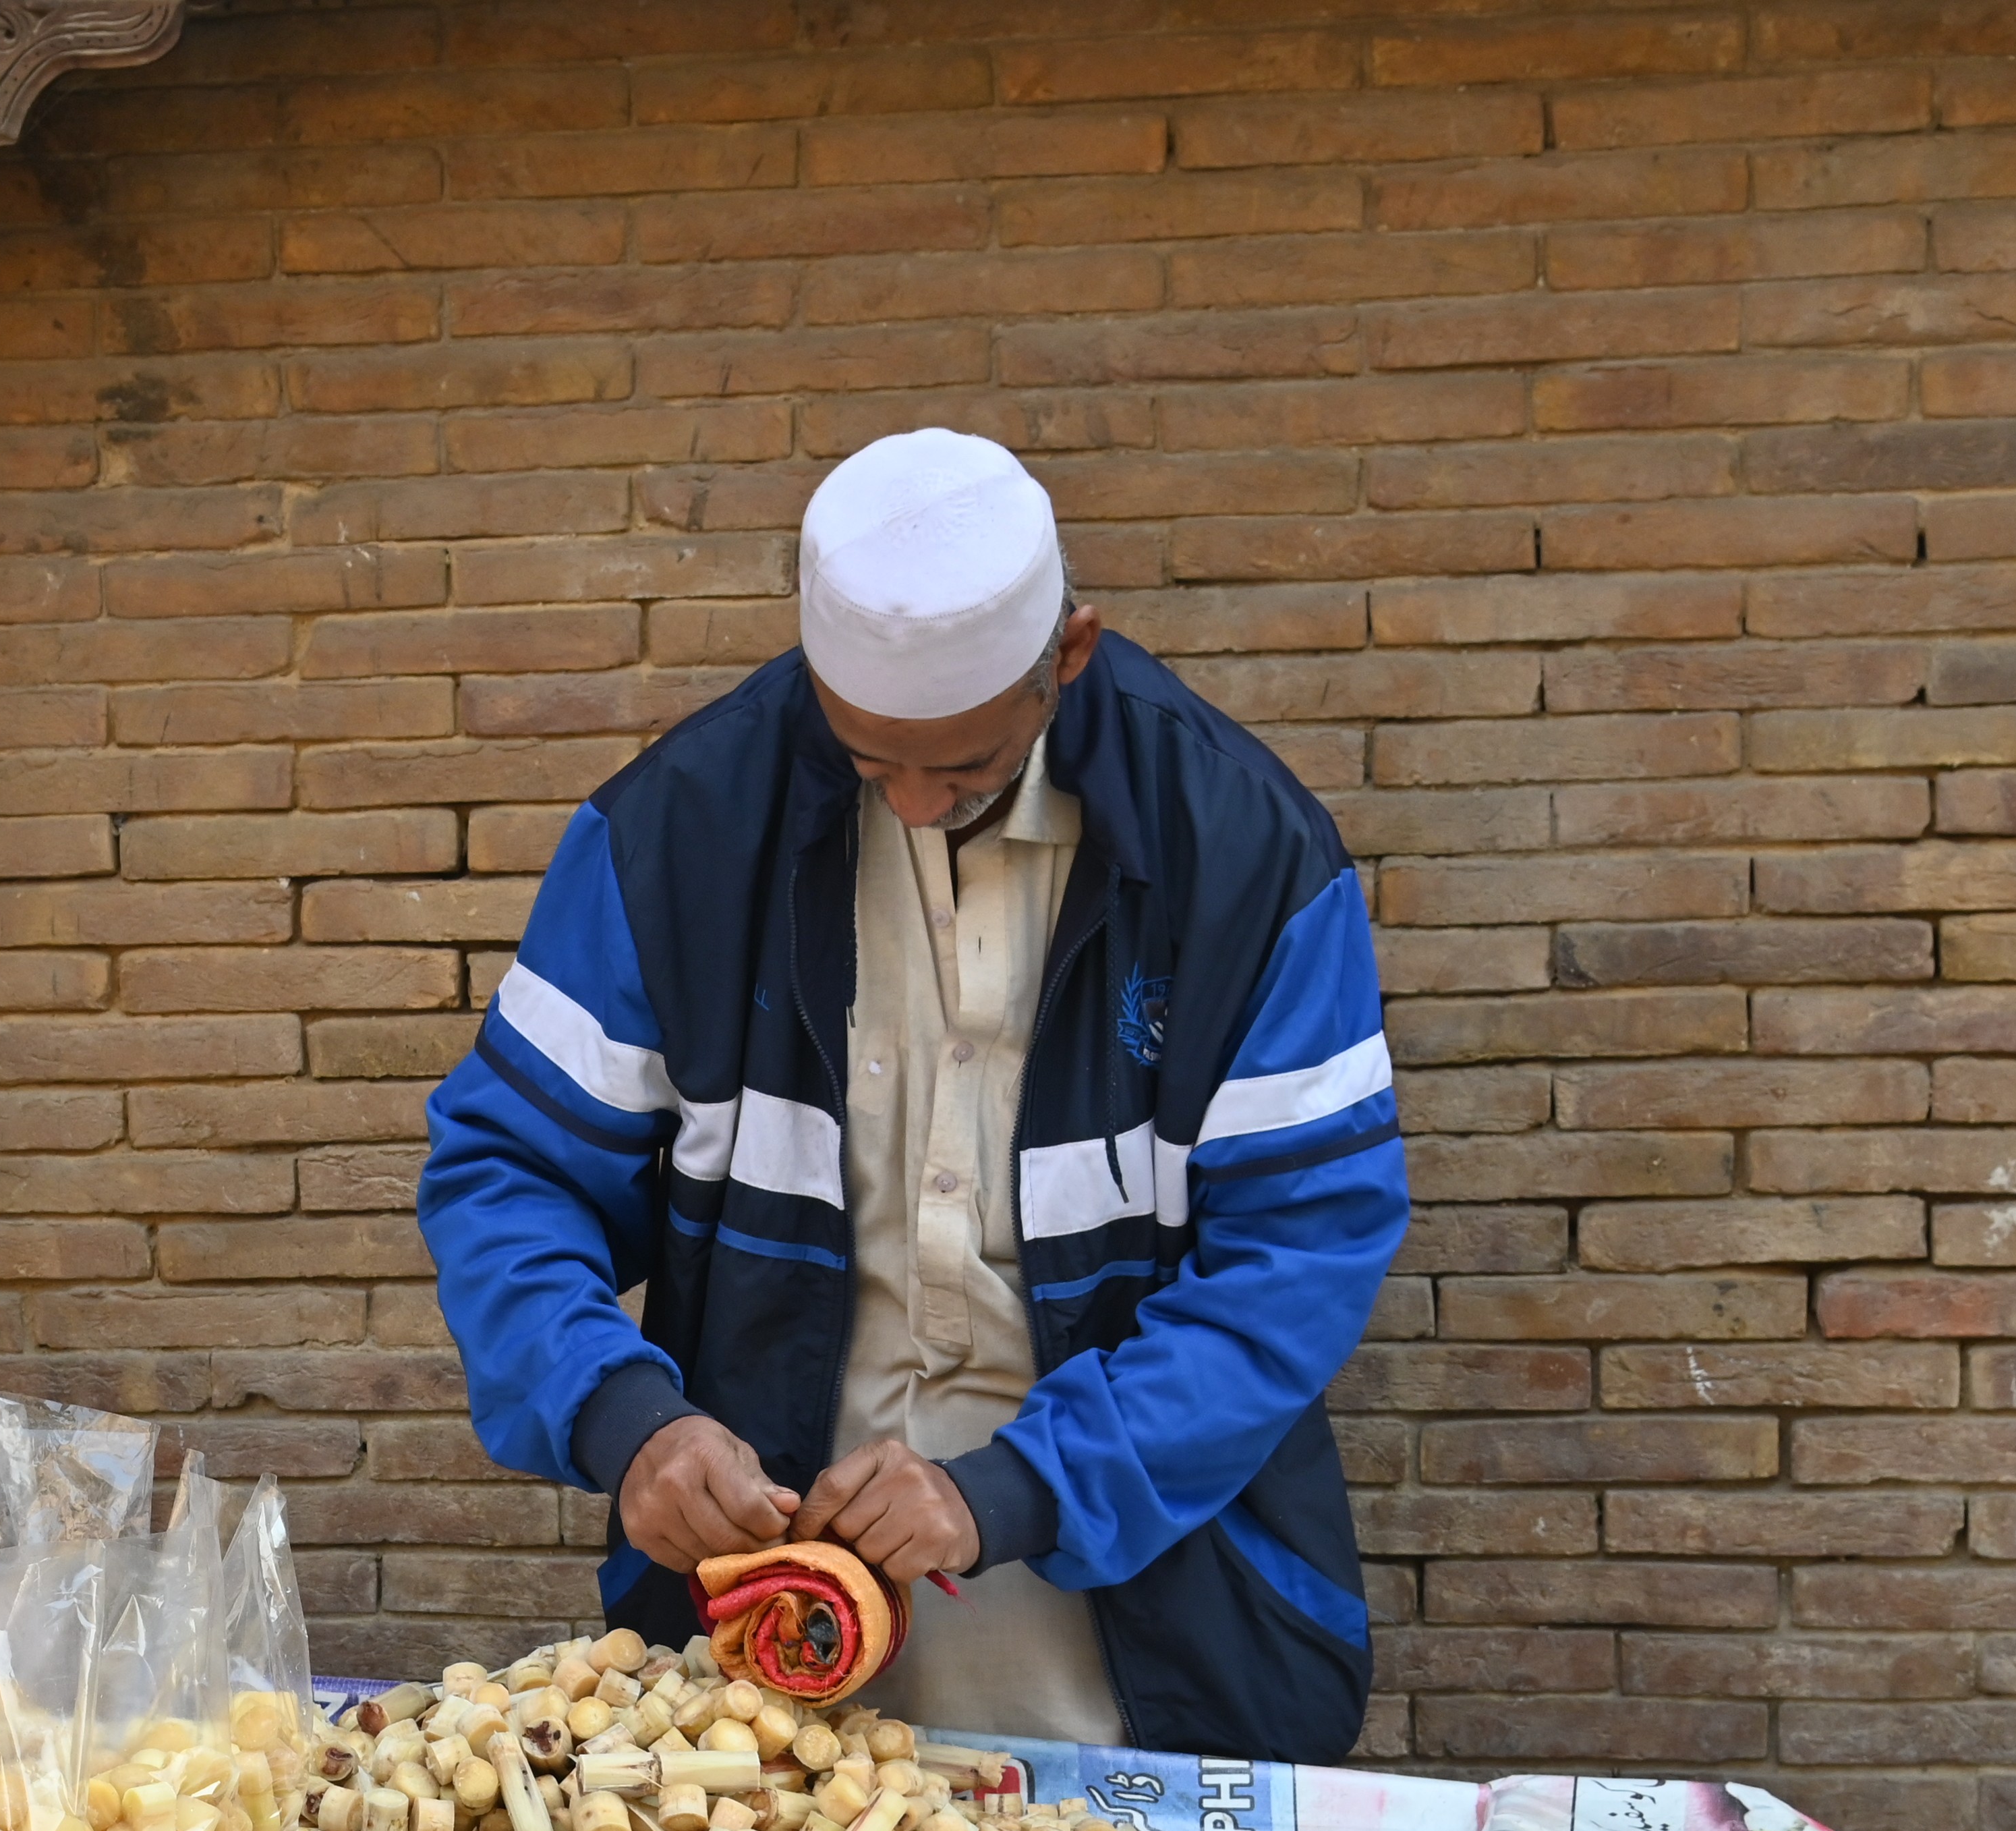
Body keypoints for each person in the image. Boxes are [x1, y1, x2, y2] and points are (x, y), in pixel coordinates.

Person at [415, 430, 1408, 1763]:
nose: (920, 805)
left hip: (1161, 1656)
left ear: (1068, 655)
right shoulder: (680, 836)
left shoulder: (1240, 853)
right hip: (759, 1675)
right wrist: (621, 1413)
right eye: (872, 763)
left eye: (968, 769)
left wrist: (1013, 1486)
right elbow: (511, 1175)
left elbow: (1298, 1257)